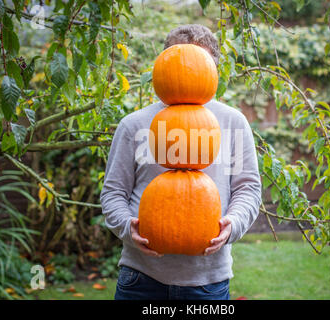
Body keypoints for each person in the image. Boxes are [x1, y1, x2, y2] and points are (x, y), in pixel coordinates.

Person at [100, 24, 262, 300]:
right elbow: (113, 193)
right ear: (164, 65)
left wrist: (231, 225)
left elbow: (248, 189)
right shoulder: (134, 125)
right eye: (178, 61)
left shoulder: (233, 123)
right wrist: (129, 227)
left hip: (208, 279)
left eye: (196, 63)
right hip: (142, 276)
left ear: (212, 70)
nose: (187, 70)